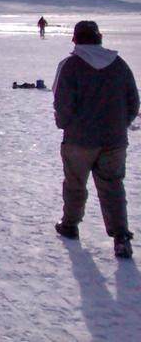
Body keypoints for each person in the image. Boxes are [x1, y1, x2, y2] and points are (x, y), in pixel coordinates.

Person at [53, 20, 139, 258]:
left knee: (75, 184)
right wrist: (120, 125)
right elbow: (133, 100)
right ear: (99, 38)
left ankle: (70, 225)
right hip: (113, 140)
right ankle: (121, 237)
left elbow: (62, 103)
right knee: (112, 187)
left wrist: (65, 124)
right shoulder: (119, 65)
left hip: (79, 140)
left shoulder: (70, 65)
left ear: (76, 40)